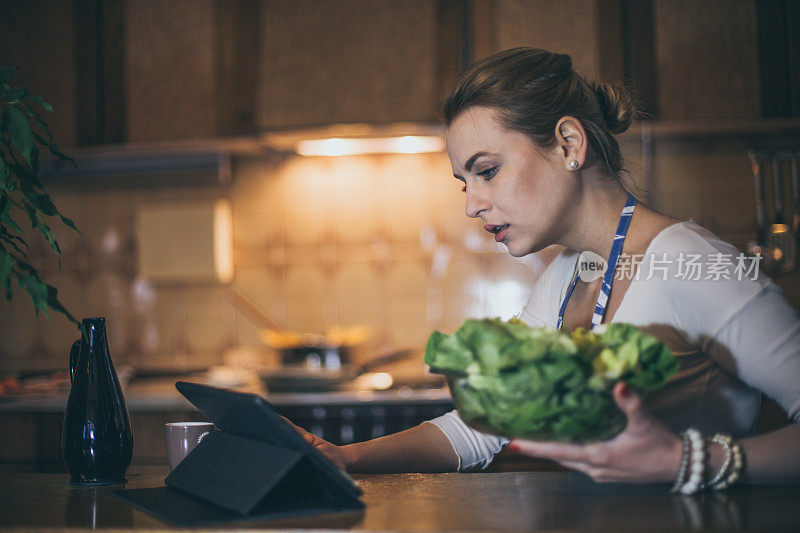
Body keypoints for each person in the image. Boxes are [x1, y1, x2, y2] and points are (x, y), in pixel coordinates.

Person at [291, 48, 800, 489]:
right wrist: (346, 457)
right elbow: (483, 427)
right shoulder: (566, 275)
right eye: (464, 182)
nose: (471, 204)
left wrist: (686, 461)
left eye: (486, 171)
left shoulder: (690, 262)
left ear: (569, 144)